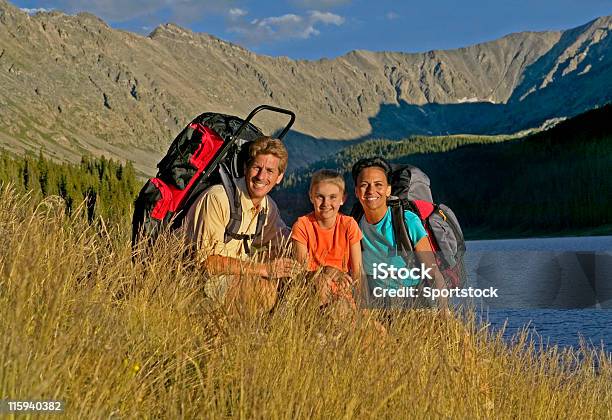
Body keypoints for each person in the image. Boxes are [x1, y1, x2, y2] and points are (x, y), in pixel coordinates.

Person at [183, 136, 295, 312]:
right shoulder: (218, 198)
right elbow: (207, 263)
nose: (261, 177)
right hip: (199, 280)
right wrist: (265, 269)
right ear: (245, 168)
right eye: (257, 168)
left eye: (270, 171)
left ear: (279, 177)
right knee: (263, 292)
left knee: (292, 284)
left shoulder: (267, 207)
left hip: (235, 277)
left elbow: (285, 241)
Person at [351, 157, 448, 311]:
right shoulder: (353, 224)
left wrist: (444, 313)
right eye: (364, 185)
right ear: (356, 191)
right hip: (377, 306)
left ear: (388, 189)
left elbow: (433, 273)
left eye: (378, 185)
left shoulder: (407, 221)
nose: (371, 191)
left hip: (415, 304)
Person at [291, 169, 362, 308]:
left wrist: (363, 307)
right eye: (320, 197)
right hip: (311, 294)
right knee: (322, 282)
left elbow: (358, 272)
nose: (326, 203)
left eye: (333, 197)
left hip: (343, 296)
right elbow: (301, 273)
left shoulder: (349, 225)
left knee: (379, 330)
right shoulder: (302, 225)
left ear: (343, 199)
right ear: (311, 196)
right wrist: (327, 270)